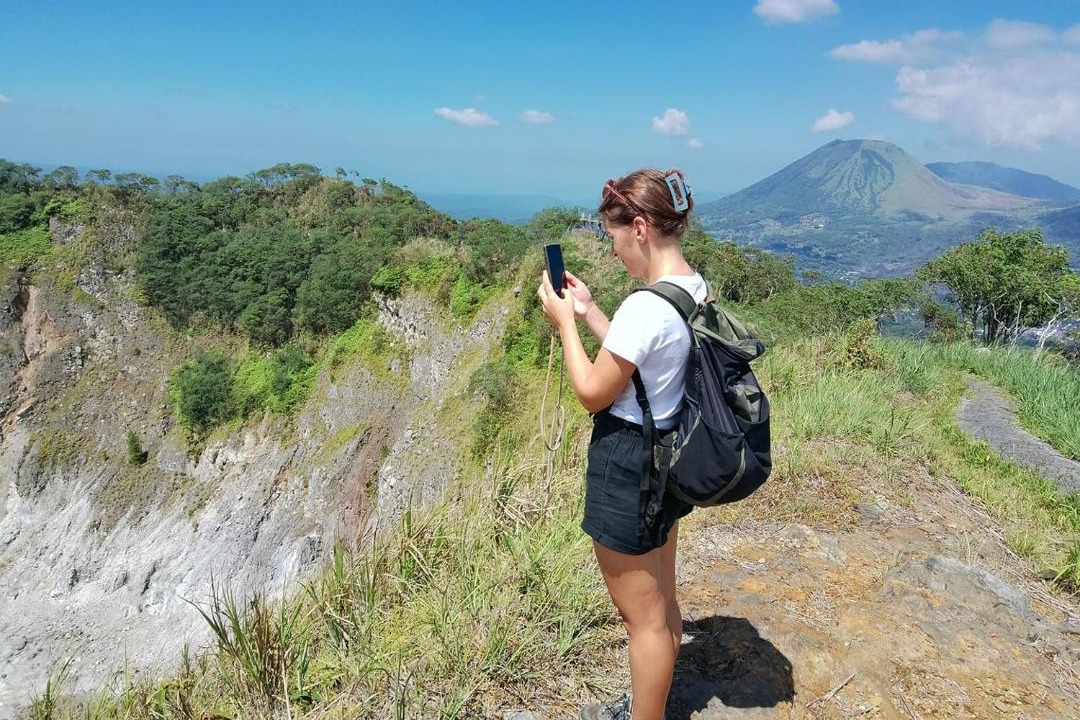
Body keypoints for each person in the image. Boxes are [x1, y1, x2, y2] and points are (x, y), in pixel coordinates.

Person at [536, 168, 705, 720]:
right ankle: (649, 702)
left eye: (612, 239)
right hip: (666, 453)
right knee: (662, 604)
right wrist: (588, 312)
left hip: (628, 463)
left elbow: (591, 390)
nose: (613, 254)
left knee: (644, 620)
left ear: (639, 227)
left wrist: (563, 322)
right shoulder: (687, 288)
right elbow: (641, 364)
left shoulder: (645, 306)